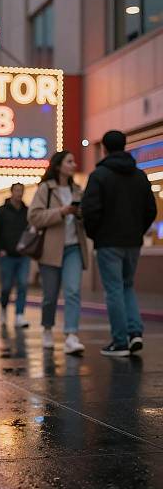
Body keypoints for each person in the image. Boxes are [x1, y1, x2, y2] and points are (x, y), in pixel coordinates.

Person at [82, 130, 157, 357]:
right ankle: (135, 333)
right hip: (133, 242)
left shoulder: (99, 175)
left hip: (108, 243)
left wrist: (96, 235)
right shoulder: (139, 175)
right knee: (127, 286)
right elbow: (151, 210)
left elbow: (90, 210)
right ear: (125, 146)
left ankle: (119, 342)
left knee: (114, 289)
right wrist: (137, 232)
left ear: (103, 148)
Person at [28, 150, 88, 355]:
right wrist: (61, 212)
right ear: (59, 165)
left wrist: (80, 214)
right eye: (69, 161)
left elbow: (86, 219)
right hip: (50, 250)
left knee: (73, 291)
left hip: (74, 248)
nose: (74, 164)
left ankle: (71, 336)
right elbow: (34, 217)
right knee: (50, 296)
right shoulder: (45, 189)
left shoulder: (78, 190)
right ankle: (47, 329)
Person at [0, 183, 30, 329]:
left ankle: (19, 315)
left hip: (23, 256)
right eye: (17, 191)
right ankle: (4, 309)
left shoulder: (27, 211)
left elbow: (31, 231)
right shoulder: (1, 211)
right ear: (11, 192)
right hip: (6, 256)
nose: (19, 193)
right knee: (6, 287)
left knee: (23, 284)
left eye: (22, 191)